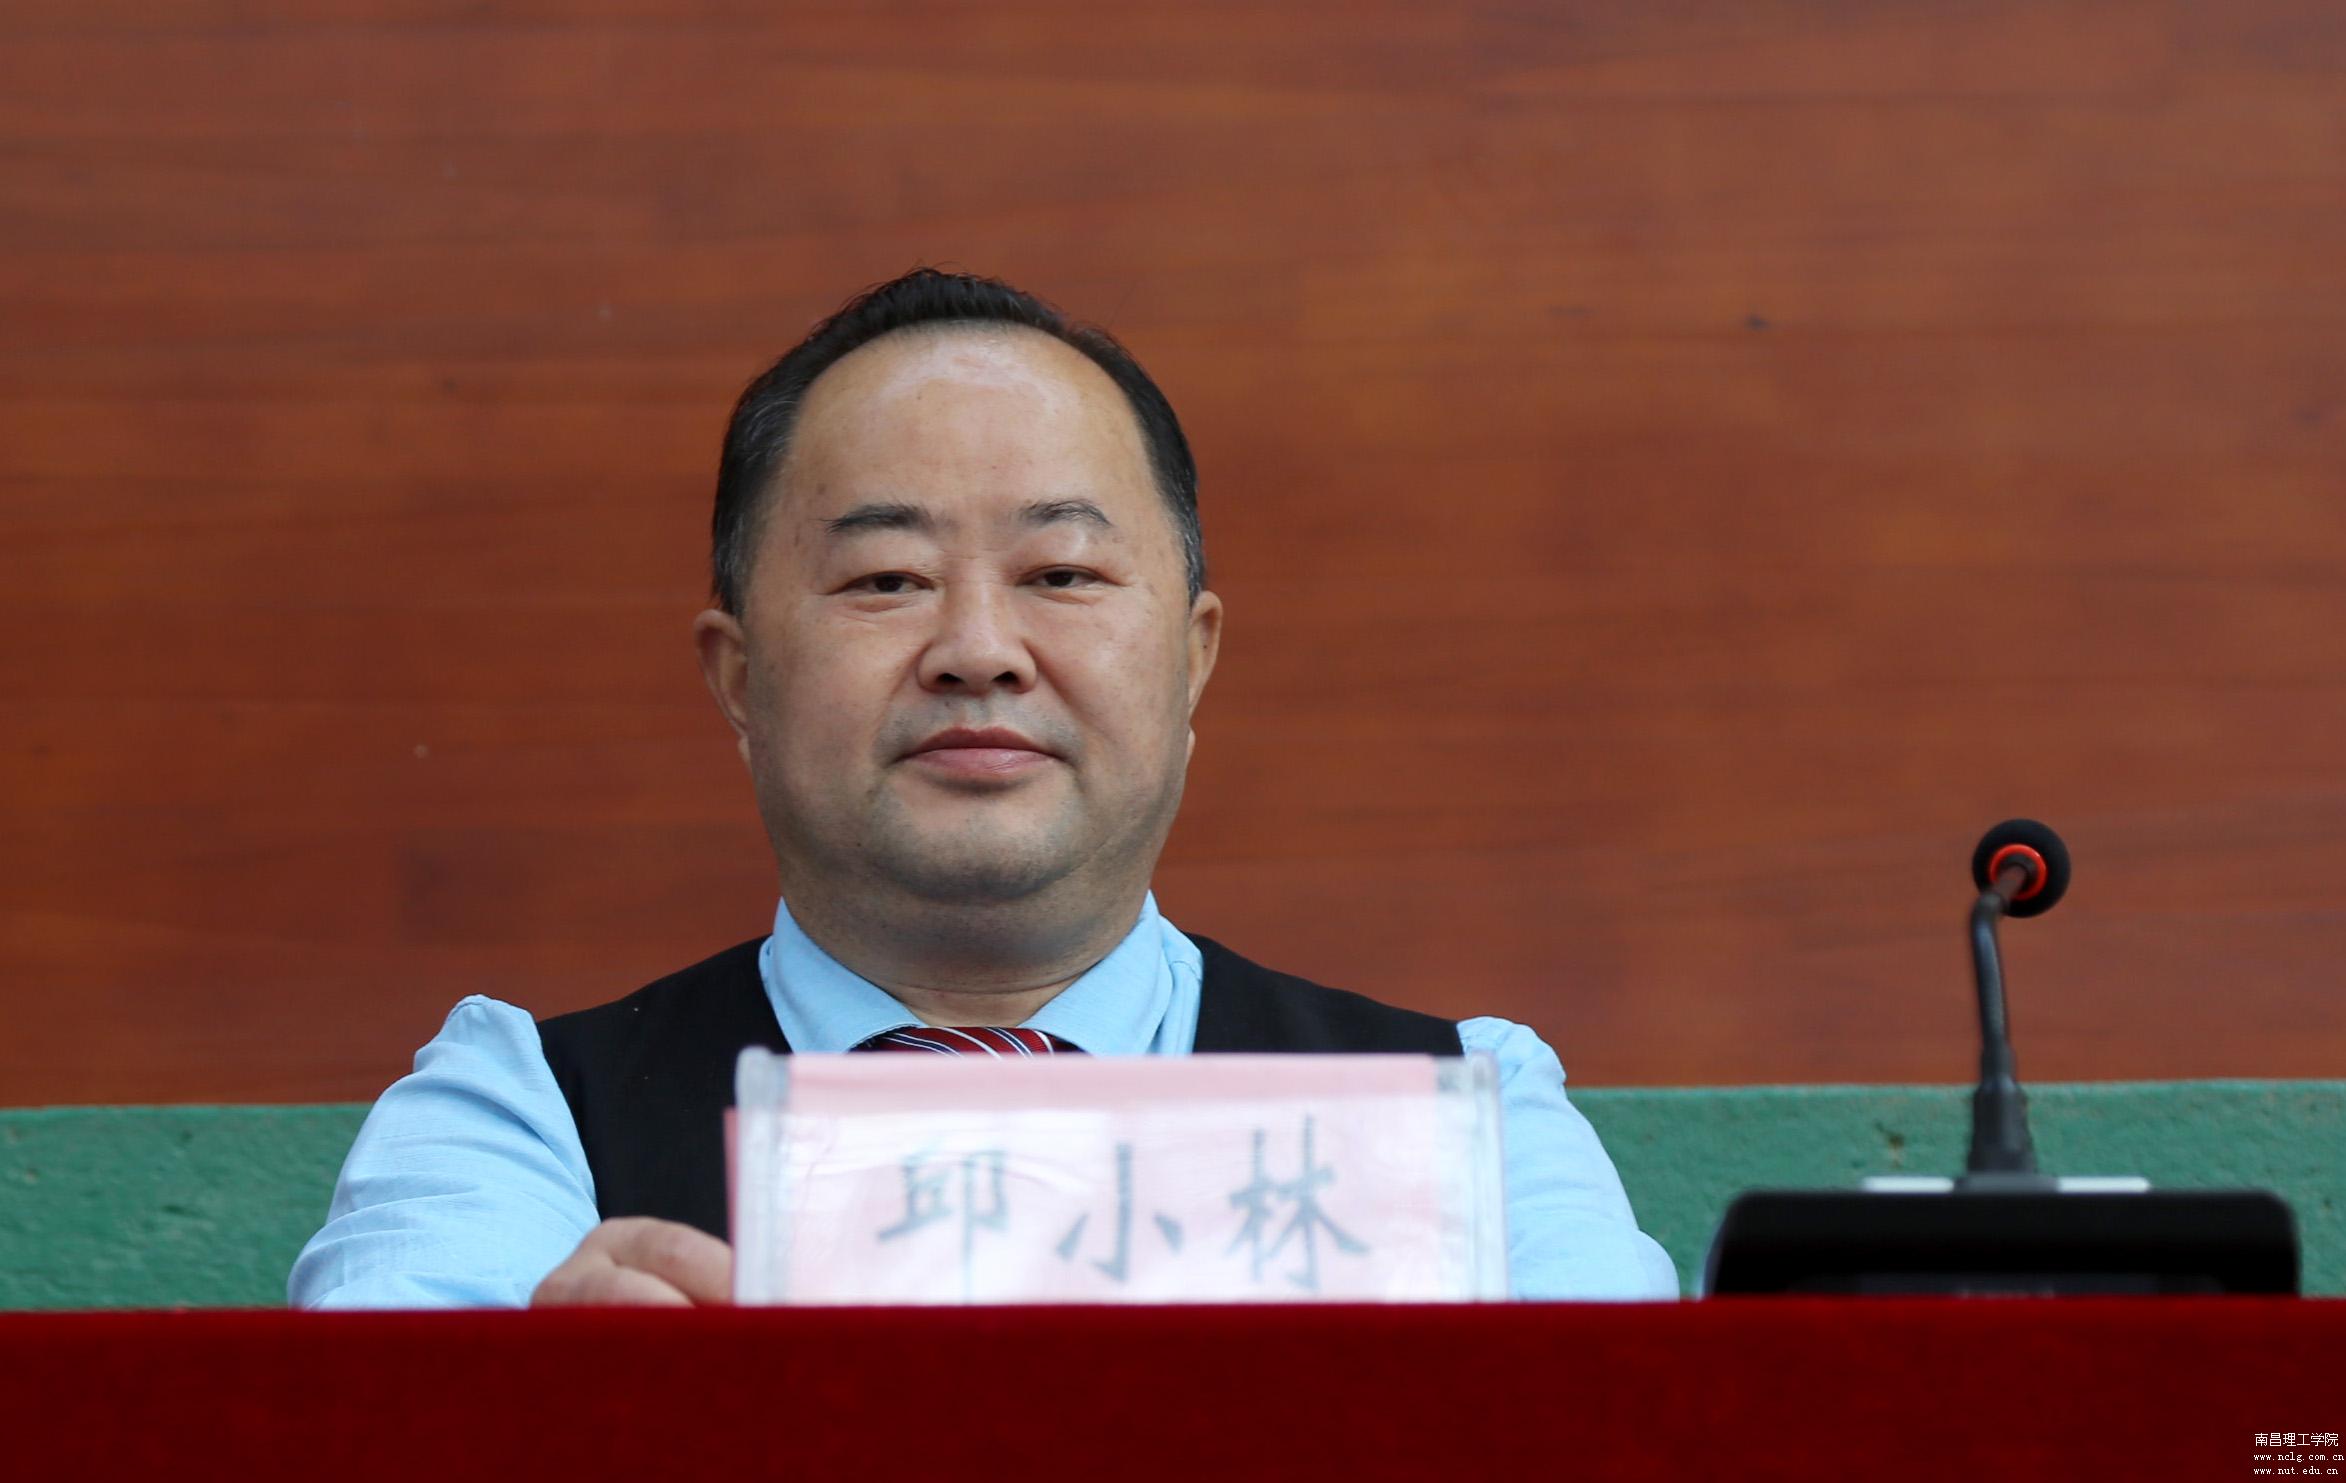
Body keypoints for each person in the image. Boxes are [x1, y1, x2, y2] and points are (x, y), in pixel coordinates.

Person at [289, 268, 1679, 1308]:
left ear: (1192, 657)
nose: (976, 650)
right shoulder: (522, 1117)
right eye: (885, 579)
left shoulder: (1464, 1115)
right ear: (739, 675)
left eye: (1061, 574)